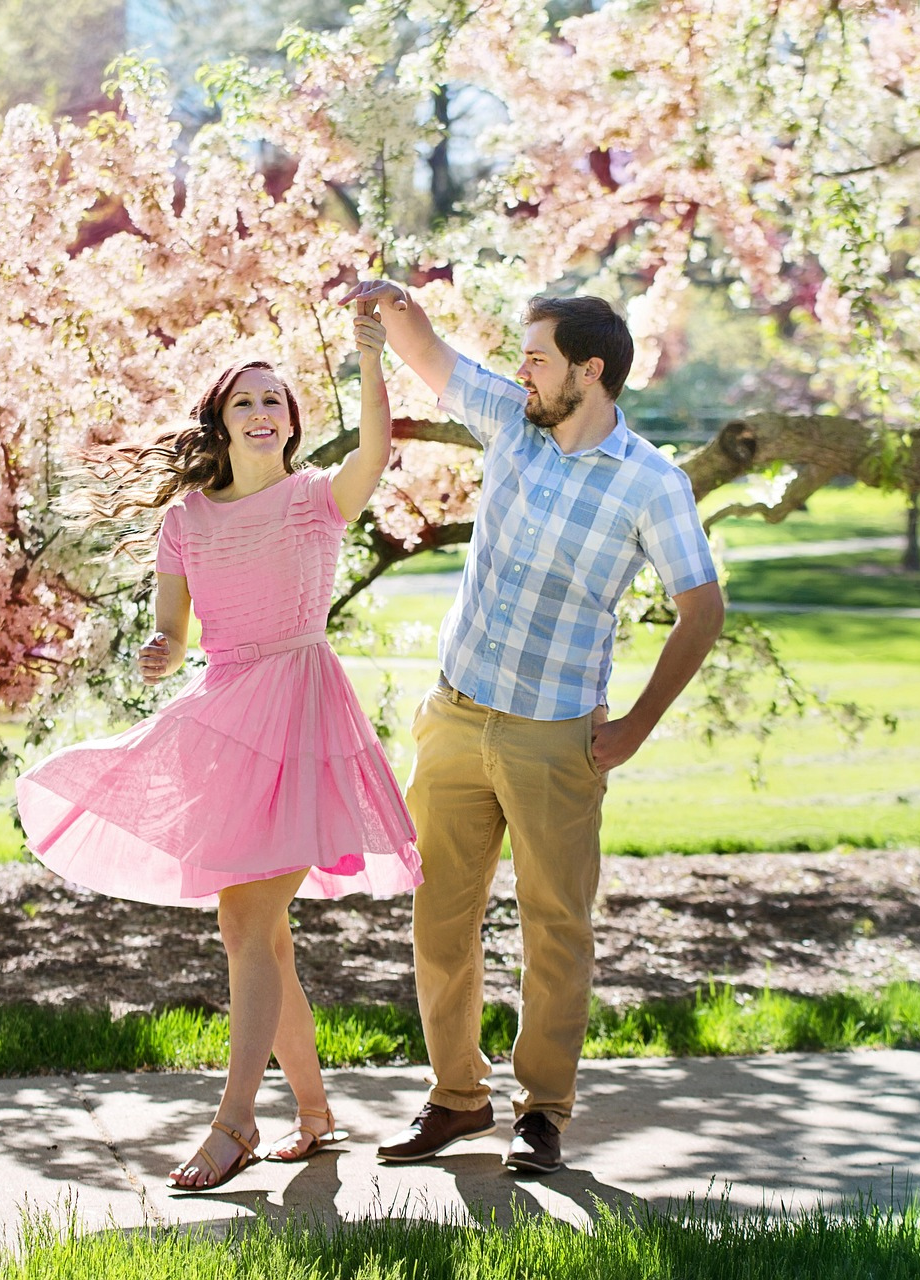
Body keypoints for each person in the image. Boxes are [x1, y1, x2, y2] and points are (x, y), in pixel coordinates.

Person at [14, 306, 423, 1192]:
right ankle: (314, 1116)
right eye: (246, 401)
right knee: (262, 936)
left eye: (276, 400)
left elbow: (376, 448)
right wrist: (161, 651)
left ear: (292, 422)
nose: (263, 411)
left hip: (303, 714)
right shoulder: (186, 521)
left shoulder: (316, 500)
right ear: (222, 421)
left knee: (245, 924)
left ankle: (235, 1122)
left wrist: (368, 359)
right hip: (228, 717)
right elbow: (174, 633)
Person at [335, 281, 724, 1175]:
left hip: (555, 738)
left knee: (555, 929)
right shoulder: (514, 422)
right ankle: (456, 1097)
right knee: (441, 916)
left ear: (589, 372)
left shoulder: (651, 484)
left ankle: (542, 1113)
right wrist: (395, 304)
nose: (523, 371)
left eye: (538, 358)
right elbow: (433, 358)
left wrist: (636, 726)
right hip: (455, 715)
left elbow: (702, 608)